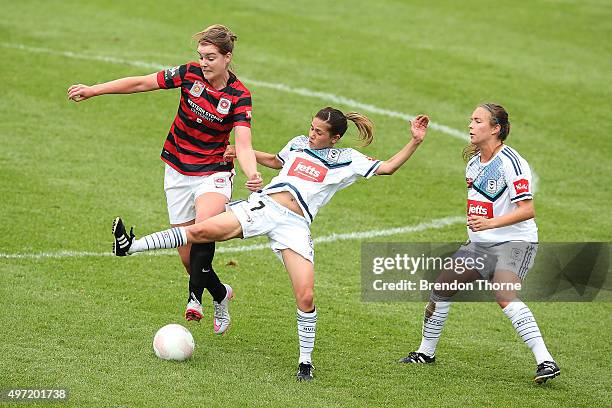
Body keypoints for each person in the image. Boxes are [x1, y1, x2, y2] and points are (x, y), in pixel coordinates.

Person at [111, 106, 430, 381]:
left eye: (319, 132)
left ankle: (305, 363)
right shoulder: (298, 144)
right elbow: (277, 161)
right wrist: (243, 152)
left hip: (295, 224)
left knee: (305, 295)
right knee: (200, 231)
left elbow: (387, 167)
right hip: (262, 207)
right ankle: (131, 245)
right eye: (311, 127)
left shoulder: (348, 159)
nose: (311, 134)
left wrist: (414, 142)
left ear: (334, 138)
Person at [67, 25, 263, 334]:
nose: (204, 63)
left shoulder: (239, 96)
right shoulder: (188, 74)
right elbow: (142, 83)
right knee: (189, 261)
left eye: (211, 57)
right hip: (177, 170)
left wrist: (252, 173)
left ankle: (194, 300)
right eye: (201, 56)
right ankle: (221, 293)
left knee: (204, 227)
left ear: (228, 57)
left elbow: (243, 143)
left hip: (213, 172)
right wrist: (94, 89)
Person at [399, 103, 560, 384]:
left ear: (495, 129)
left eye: (477, 121)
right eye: (471, 120)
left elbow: (527, 210)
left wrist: (490, 225)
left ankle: (545, 360)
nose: (470, 126)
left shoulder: (512, 162)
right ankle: (426, 353)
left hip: (514, 242)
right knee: (442, 287)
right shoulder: (474, 163)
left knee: (503, 292)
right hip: (481, 245)